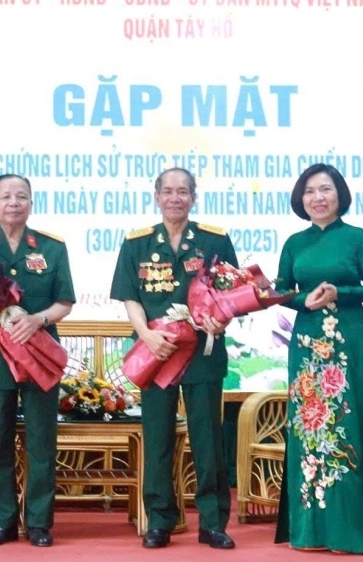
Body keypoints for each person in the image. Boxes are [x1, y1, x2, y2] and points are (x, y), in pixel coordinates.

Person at [109, 167, 238, 550]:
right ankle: (160, 521)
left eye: (183, 191)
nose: (175, 198)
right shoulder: (137, 243)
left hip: (202, 353)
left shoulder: (214, 240)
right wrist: (146, 335)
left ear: (193, 197)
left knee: (207, 439)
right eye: (168, 191)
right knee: (158, 438)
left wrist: (220, 319)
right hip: (158, 352)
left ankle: (213, 523)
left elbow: (232, 293)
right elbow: (130, 296)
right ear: (157, 196)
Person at [273, 163, 363, 553]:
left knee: (347, 425)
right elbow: (282, 290)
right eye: (309, 191)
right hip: (307, 342)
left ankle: (350, 532)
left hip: (347, 338)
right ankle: (311, 531)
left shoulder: (358, 237)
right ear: (300, 199)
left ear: (340, 195)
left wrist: (340, 293)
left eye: (325, 190)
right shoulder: (294, 243)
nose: (317, 198)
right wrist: (305, 299)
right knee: (310, 427)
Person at [0, 174, 75, 548]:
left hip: (38, 353)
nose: (13, 203)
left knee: (41, 439)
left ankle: (39, 522)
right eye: (6, 197)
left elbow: (64, 302)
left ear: (31, 203)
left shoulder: (52, 247)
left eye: (21, 196)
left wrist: (38, 319)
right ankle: (1, 521)